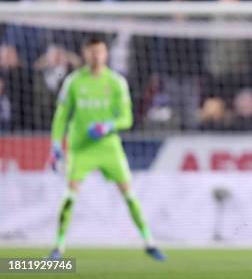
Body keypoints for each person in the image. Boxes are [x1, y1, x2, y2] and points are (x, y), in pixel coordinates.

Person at [48, 37, 165, 261]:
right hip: (80, 147)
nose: (96, 56)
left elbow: (127, 118)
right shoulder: (73, 81)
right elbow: (61, 116)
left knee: (129, 194)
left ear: (106, 54)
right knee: (70, 195)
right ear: (84, 53)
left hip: (108, 146)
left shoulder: (116, 82)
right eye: (92, 52)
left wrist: (108, 126)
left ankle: (149, 241)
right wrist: (55, 143)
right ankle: (59, 247)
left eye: (99, 52)